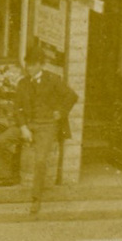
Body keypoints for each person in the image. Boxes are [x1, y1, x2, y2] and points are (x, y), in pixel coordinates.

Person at [13, 46, 77, 214]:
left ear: (41, 65)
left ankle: (36, 199)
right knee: (0, 141)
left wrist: (60, 113)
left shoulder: (53, 79)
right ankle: (7, 180)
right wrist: (23, 127)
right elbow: (17, 108)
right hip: (29, 124)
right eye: (28, 64)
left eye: (33, 65)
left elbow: (71, 96)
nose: (29, 68)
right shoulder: (23, 82)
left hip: (47, 126)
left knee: (40, 160)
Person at [0, 64, 24, 187]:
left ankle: (5, 176)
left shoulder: (29, 87)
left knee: (1, 140)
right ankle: (0, 175)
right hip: (17, 123)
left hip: (26, 125)